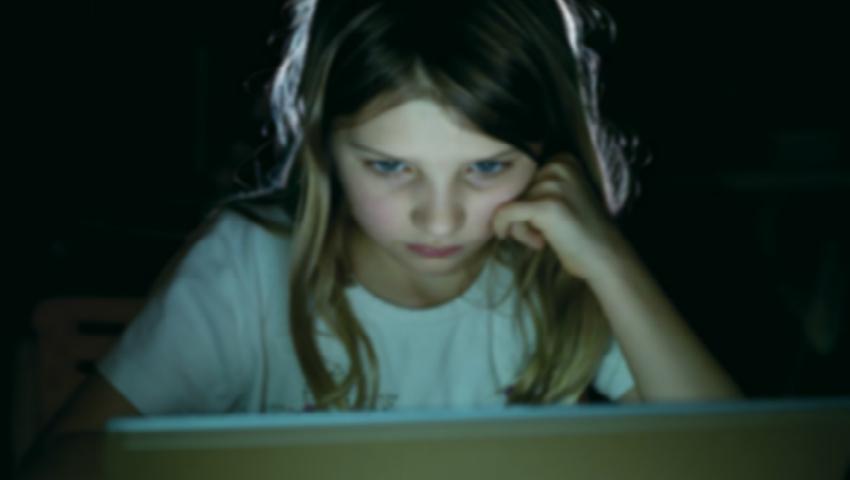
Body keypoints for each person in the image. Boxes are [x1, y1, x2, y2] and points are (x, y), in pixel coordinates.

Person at [19, 0, 741, 475]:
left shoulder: (556, 270)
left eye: (487, 167)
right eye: (391, 167)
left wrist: (612, 263)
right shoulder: (245, 268)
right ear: (325, 148)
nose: (439, 219)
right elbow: (56, 465)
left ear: (551, 158)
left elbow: (735, 464)